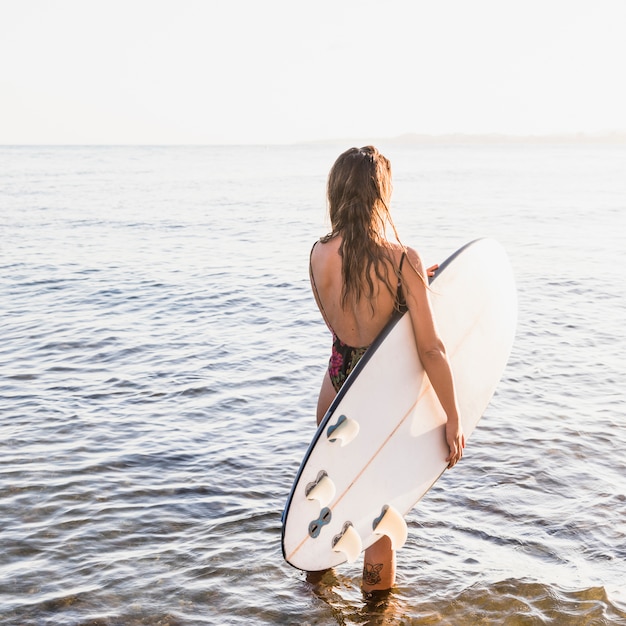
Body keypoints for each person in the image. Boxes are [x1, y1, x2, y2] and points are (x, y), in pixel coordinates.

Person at [308, 146, 465, 594]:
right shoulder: (401, 260)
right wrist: (454, 417)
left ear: (337, 192)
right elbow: (431, 349)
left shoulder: (318, 254)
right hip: (375, 409)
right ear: (380, 195)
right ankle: (378, 616)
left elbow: (348, 326)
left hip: (334, 395)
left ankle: (314, 599)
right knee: (379, 518)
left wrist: (411, 282)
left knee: (327, 506)